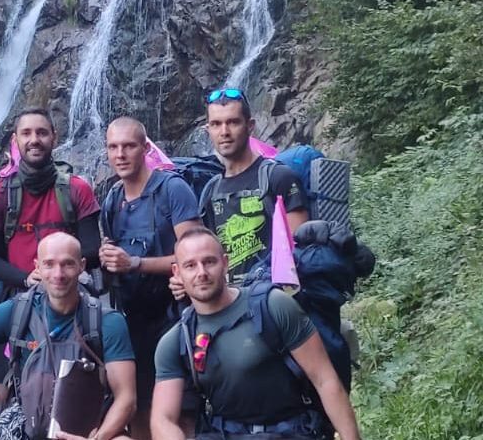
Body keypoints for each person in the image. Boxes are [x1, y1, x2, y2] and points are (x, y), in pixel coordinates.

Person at [0, 232, 136, 440]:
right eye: (49, 264)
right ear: (37, 267)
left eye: (68, 264)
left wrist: (97, 438)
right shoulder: (17, 310)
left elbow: (126, 399)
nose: (58, 274)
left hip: (86, 429)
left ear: (82, 266)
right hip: (23, 425)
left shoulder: (107, 321)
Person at [151, 228, 362, 440]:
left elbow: (325, 380)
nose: (201, 273)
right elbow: (163, 419)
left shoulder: (273, 305)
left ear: (225, 263)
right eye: (190, 265)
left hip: (292, 431)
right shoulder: (177, 340)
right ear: (177, 272)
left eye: (209, 262)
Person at [0, 107, 102, 418]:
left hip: (69, 308)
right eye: (27, 133)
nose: (34, 139)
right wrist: (26, 279)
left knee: (65, 401)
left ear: (54, 138)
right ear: (15, 140)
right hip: (16, 307)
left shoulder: (77, 189)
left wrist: (54, 273)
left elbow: (92, 249)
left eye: (42, 132)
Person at [100, 117, 201, 440]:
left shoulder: (173, 189)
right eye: (113, 147)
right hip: (131, 321)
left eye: (129, 146)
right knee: (139, 409)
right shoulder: (112, 199)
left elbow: (195, 256)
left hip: (175, 317)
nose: (120, 154)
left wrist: (135, 263)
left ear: (145, 148)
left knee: (180, 411)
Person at [199, 87, 308, 281]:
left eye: (233, 122)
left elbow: (299, 249)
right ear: (208, 131)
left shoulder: (278, 177)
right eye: (216, 124)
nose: (224, 132)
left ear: (250, 126)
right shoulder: (210, 191)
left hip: (275, 292)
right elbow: (207, 255)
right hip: (230, 294)